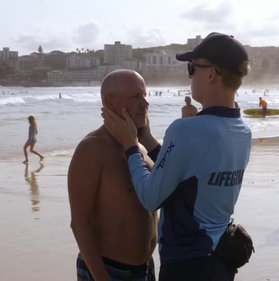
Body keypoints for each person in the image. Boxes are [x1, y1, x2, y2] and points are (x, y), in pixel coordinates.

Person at [102, 32, 252, 281]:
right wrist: (147, 140)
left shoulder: (186, 129)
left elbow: (151, 197)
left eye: (192, 68)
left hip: (188, 263)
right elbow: (189, 175)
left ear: (211, 73)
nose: (190, 76)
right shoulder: (243, 132)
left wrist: (130, 145)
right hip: (221, 259)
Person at [68, 69, 157, 281]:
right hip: (109, 270)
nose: (145, 103)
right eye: (136, 96)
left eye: (145, 95)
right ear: (110, 101)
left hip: (145, 268)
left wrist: (145, 136)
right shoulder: (92, 149)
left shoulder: (140, 148)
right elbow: (80, 223)